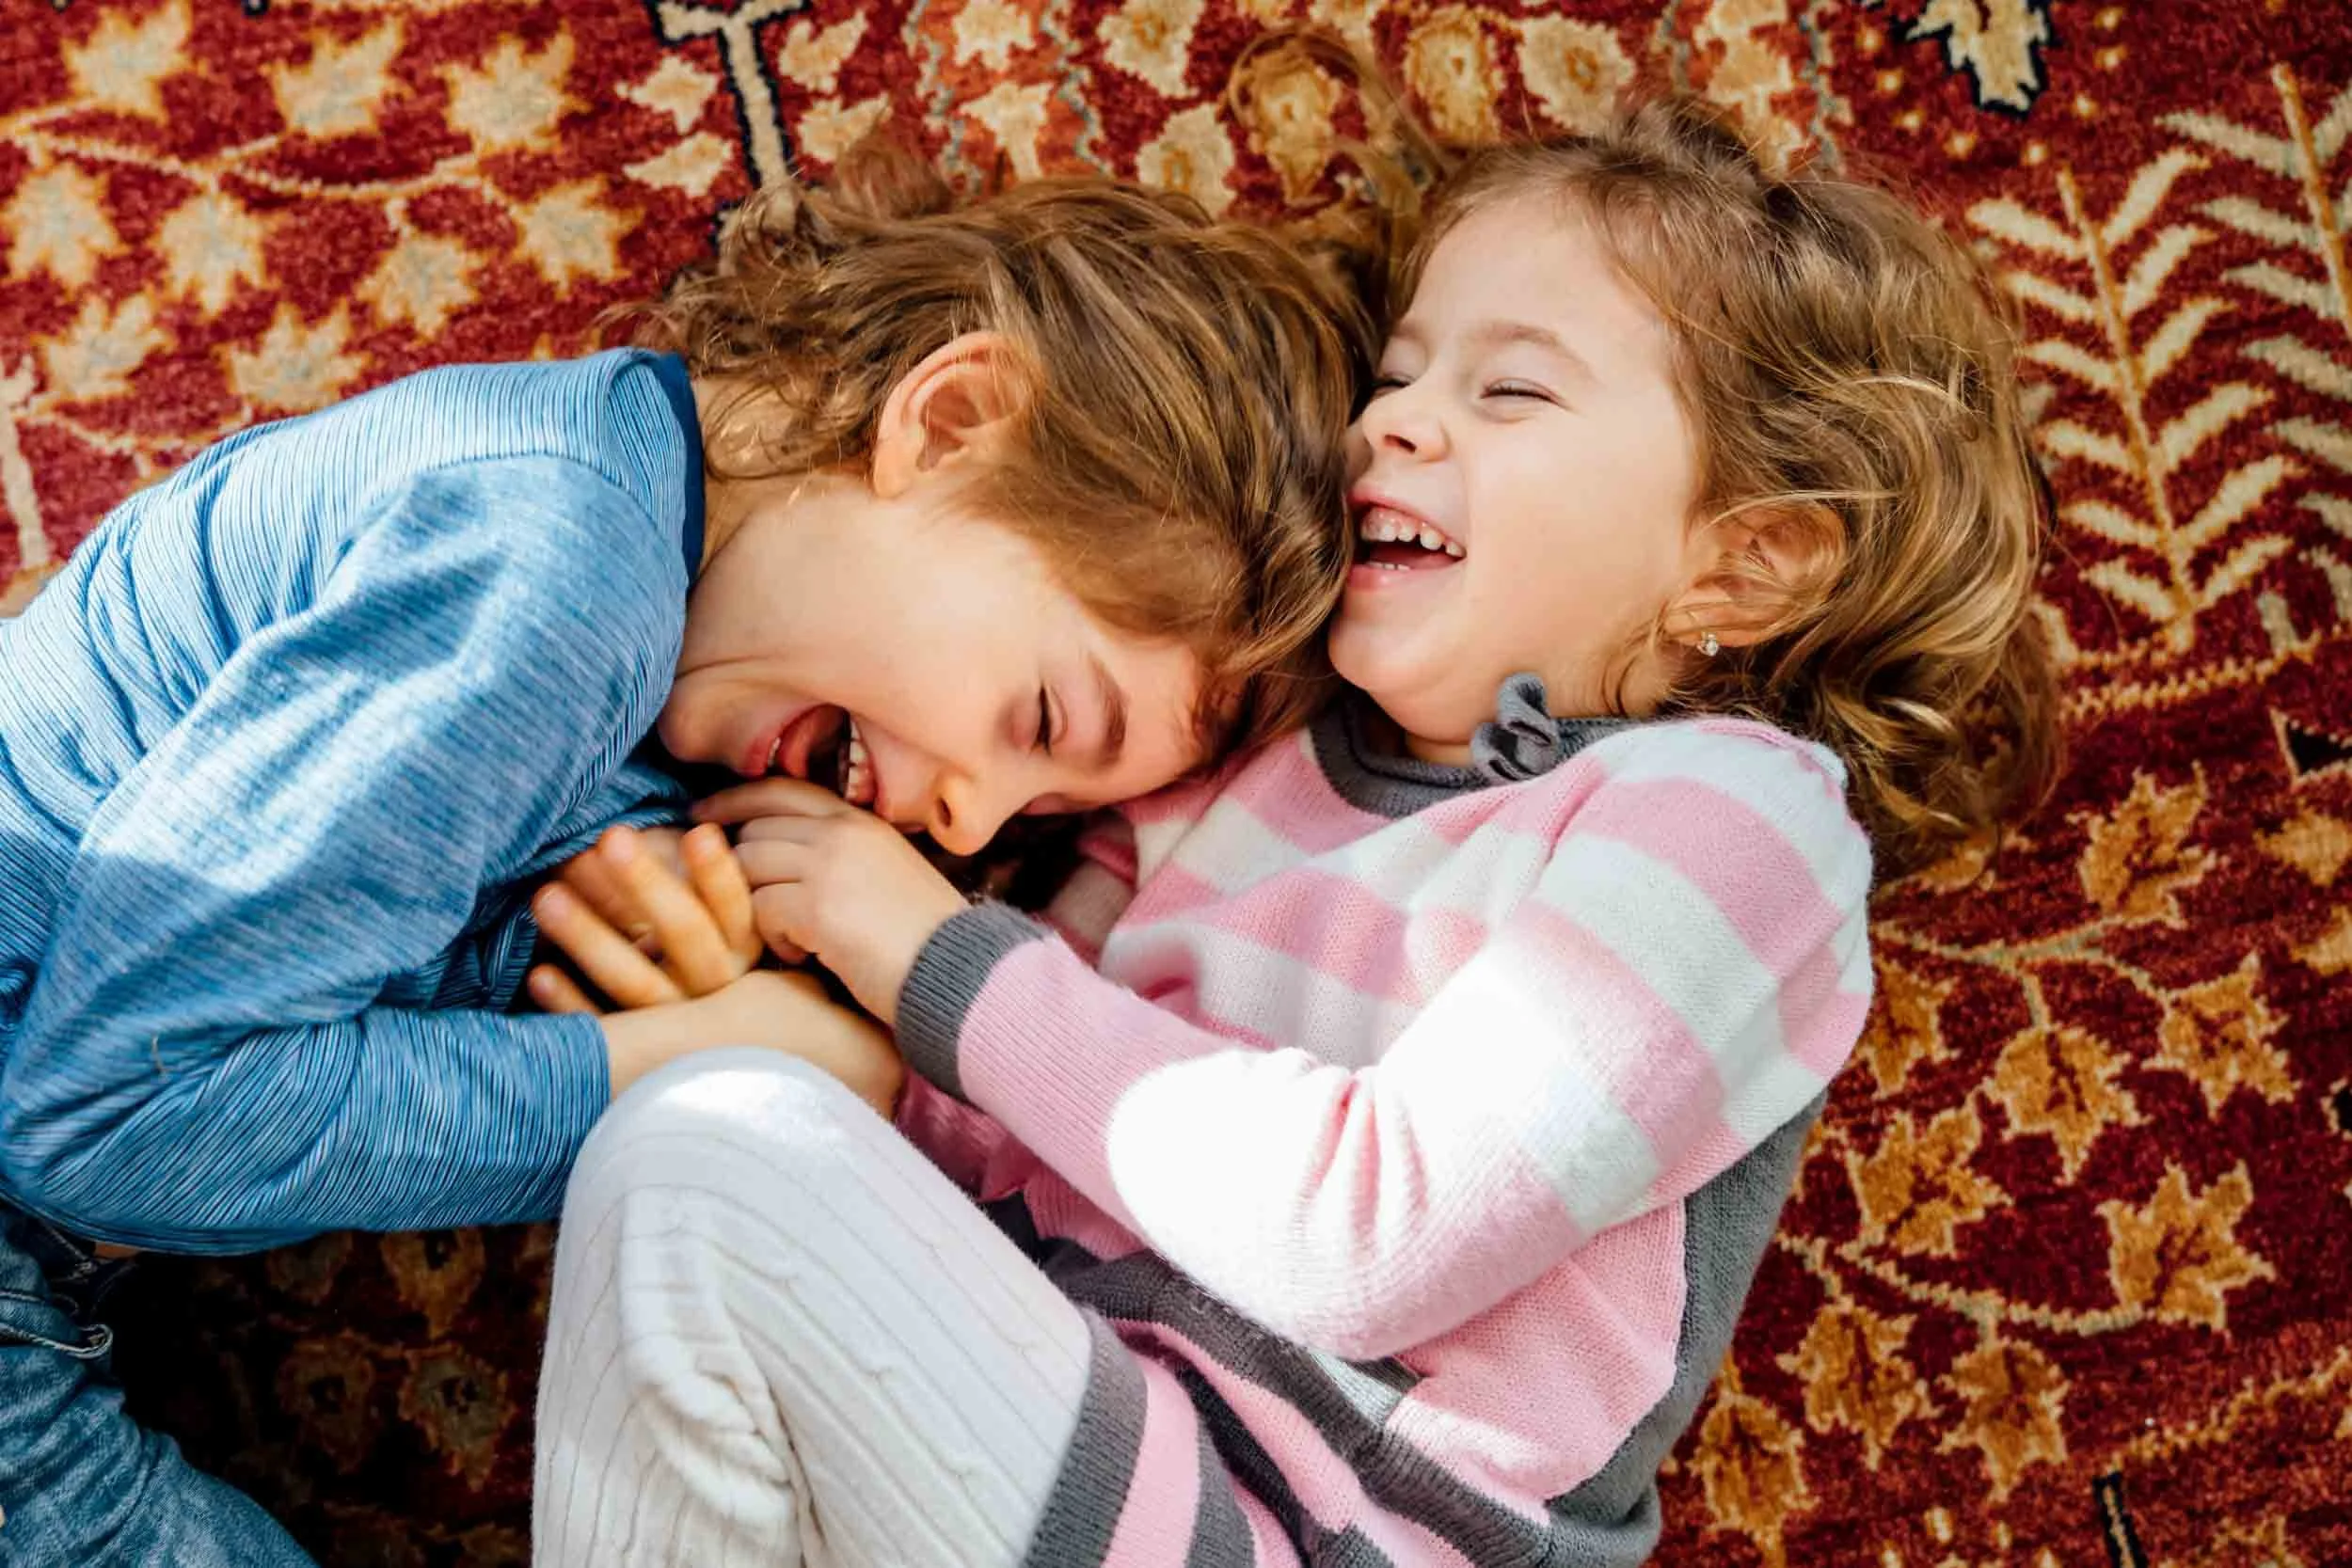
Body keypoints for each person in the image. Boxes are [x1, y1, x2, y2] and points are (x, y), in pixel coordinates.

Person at [530, 87, 2060, 1567]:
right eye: (1399, 376)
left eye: (1507, 388)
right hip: (1065, 1444)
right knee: (697, 1146)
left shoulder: (1734, 829)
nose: (1390, 428)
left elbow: (1369, 1229)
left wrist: (912, 938)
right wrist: (739, 980)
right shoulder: (1231, 789)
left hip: (1324, 1530)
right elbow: (991, 1139)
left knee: (698, 1173)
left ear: (1744, 565)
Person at [0, 141, 1368, 1565]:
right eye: (1040, 715)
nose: (966, 826)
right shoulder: (553, 568)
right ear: (951, 420)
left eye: (1023, 814)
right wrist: (687, 1067)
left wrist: (627, 954)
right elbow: (106, 1118)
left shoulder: (640, 607)